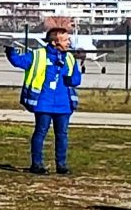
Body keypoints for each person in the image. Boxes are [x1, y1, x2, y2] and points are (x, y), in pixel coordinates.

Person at [8, 28, 83, 175]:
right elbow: (19, 61)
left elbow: (76, 78)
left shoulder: (69, 58)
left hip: (64, 104)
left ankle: (61, 165)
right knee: (41, 132)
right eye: (65, 39)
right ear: (55, 42)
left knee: (62, 134)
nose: (69, 42)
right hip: (44, 102)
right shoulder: (38, 55)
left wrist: (72, 79)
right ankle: (37, 164)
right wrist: (10, 52)